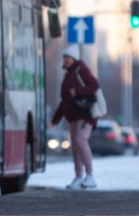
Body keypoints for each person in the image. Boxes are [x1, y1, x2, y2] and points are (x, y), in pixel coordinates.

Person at [51, 44, 99, 190]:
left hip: (85, 115)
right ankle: (79, 177)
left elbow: (94, 85)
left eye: (68, 57)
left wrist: (77, 91)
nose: (65, 60)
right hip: (73, 116)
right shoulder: (68, 75)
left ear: (74, 58)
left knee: (80, 141)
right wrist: (56, 118)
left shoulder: (81, 70)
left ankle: (90, 176)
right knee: (76, 146)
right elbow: (65, 100)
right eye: (64, 57)